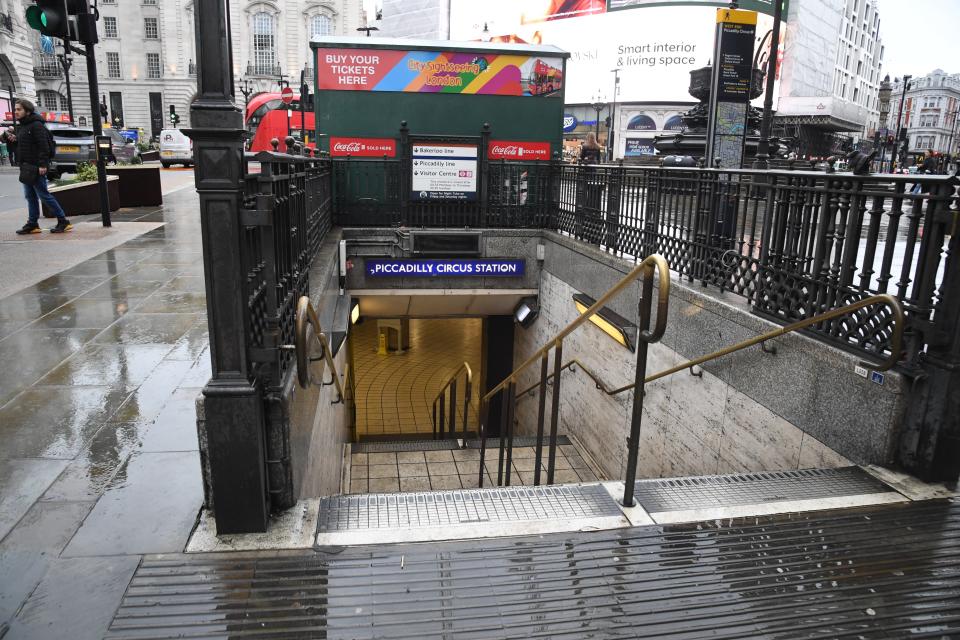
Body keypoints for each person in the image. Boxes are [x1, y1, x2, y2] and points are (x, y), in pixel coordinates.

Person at [12, 99, 71, 234]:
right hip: (26, 167)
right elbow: (26, 146)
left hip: (36, 167)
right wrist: (15, 141)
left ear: (27, 111)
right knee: (30, 196)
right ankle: (33, 224)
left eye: (19, 109)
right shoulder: (23, 126)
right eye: (15, 109)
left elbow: (43, 146)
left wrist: (43, 164)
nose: (16, 112)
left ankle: (63, 221)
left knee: (44, 195)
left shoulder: (36, 125)